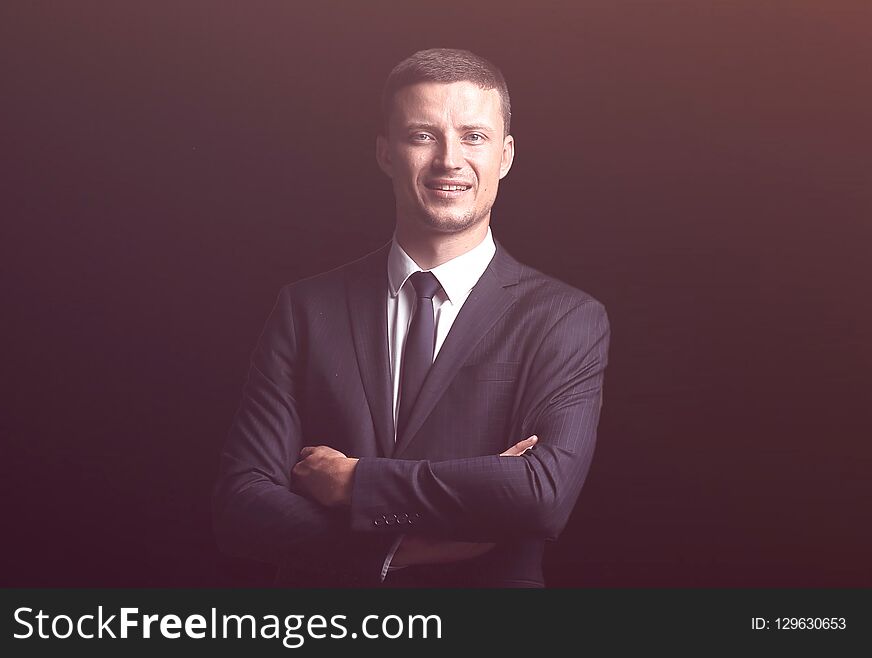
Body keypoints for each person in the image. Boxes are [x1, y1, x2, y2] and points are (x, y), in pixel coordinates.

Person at [212, 48, 610, 587]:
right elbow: (241, 504)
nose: (450, 159)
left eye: (474, 136)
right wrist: (391, 554)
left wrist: (358, 484)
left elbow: (541, 497)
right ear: (384, 152)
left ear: (506, 155)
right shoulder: (307, 309)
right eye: (422, 135)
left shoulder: (565, 319)